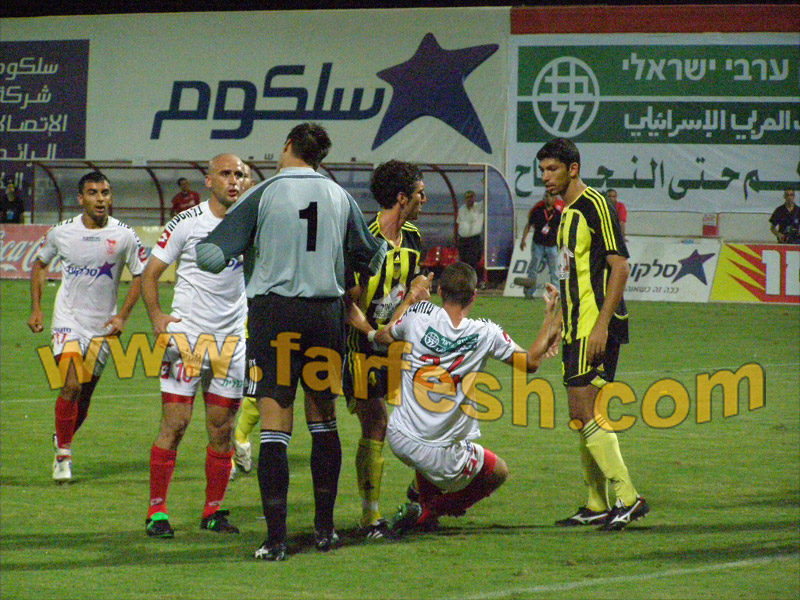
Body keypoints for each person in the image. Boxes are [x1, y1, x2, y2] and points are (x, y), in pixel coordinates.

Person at [195, 122, 387, 561]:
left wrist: (247, 247)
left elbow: (209, 256)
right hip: (325, 316)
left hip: (275, 314)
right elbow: (374, 256)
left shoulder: (262, 193)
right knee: (324, 419)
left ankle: (276, 539)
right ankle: (325, 531)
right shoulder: (339, 196)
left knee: (275, 423)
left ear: (287, 146)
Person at [368, 262, 560, 534]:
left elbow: (385, 335)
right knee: (499, 471)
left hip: (399, 435)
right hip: (440, 453)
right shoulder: (485, 333)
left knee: (431, 444)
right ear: (474, 296)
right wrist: (549, 319)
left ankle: (423, 497)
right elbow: (531, 362)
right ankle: (429, 510)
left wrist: (411, 297)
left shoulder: (418, 314)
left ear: (440, 291)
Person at [536, 137, 649, 531]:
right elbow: (570, 276)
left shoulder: (596, 205)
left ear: (573, 169)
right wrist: (557, 325)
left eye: (552, 169)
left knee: (586, 412)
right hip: (576, 326)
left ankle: (629, 498)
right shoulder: (566, 215)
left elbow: (620, 267)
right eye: (542, 170)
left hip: (596, 325)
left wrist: (601, 325)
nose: (546, 177)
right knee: (580, 415)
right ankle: (596, 503)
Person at [141, 154, 247, 538]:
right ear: (209, 180)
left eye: (239, 175)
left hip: (231, 343)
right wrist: (157, 317)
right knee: (176, 424)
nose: (233, 180)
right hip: (187, 340)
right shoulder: (186, 222)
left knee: (223, 429)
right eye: (225, 174)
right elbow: (150, 274)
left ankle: (213, 511)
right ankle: (157, 512)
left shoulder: (251, 224)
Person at [27, 171, 146, 482]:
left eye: (105, 192)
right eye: (93, 193)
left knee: (85, 395)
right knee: (71, 384)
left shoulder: (125, 235)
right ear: (81, 199)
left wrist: (123, 317)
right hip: (67, 320)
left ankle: (62, 436)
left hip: (102, 325)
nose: (100, 199)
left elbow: (140, 274)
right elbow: (40, 264)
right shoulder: (61, 232)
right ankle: (63, 455)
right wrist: (37, 308)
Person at [342, 159, 426, 539]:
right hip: (359, 346)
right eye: (420, 193)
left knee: (422, 416)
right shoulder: (363, 237)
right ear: (402, 197)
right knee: (376, 421)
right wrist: (374, 333)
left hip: (395, 346)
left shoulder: (414, 238)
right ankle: (370, 516)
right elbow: (347, 300)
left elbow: (413, 289)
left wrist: (407, 306)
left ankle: (422, 497)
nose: (424, 199)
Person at [229, 161, 260, 481]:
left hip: (256, 315)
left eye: (243, 177)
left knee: (258, 385)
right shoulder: (216, 222)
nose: (237, 182)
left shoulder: (265, 221)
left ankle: (238, 439)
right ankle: (231, 446)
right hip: (222, 319)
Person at [519, 191, 562, 299]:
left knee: (554, 271)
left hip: (552, 245)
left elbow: (561, 229)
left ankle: (555, 294)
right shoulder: (537, 211)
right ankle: (529, 293)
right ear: (543, 198)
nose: (548, 199)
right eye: (546, 196)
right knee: (533, 269)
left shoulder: (558, 213)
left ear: (555, 199)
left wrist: (561, 242)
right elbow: (529, 225)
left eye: (551, 197)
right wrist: (523, 239)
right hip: (538, 244)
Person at [455, 190, 484, 284]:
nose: (469, 199)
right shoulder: (462, 209)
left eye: (471, 197)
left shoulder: (480, 207)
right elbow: (459, 223)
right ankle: (464, 281)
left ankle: (472, 282)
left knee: (472, 261)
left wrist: (486, 185)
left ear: (474, 198)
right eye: (467, 197)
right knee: (463, 261)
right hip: (463, 239)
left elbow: (488, 198)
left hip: (474, 239)